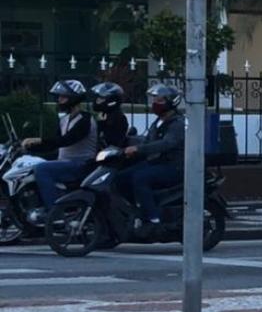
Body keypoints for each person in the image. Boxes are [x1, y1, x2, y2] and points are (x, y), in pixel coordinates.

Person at [113, 83, 185, 236]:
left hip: (173, 166)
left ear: (171, 102)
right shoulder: (158, 122)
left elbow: (166, 144)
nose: (155, 103)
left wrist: (139, 149)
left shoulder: (177, 123)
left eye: (159, 100)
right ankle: (137, 210)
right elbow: (146, 141)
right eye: (154, 99)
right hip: (156, 163)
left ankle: (153, 219)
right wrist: (125, 149)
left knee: (140, 178)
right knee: (120, 178)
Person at [21, 80, 98, 211]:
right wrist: (29, 148)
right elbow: (54, 144)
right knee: (30, 166)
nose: (59, 100)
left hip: (81, 164)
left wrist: (38, 140)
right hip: (65, 163)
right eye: (59, 97)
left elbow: (66, 140)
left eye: (63, 97)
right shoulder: (64, 119)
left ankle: (55, 212)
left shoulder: (85, 120)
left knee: (42, 169)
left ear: (73, 98)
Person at [90, 81, 131, 150]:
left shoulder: (118, 118)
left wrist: (101, 124)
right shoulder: (104, 115)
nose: (97, 101)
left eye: (101, 99)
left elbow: (111, 141)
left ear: (111, 101)